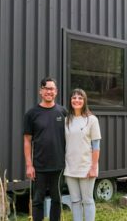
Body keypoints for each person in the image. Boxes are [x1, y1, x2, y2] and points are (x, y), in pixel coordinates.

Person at [24, 77, 67, 221]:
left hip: (58, 166)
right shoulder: (31, 114)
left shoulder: (63, 112)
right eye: (46, 88)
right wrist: (29, 165)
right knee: (37, 201)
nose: (49, 91)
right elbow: (27, 140)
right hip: (39, 166)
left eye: (52, 89)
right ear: (41, 91)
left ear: (56, 92)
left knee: (57, 200)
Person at [64, 89, 101, 221]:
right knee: (75, 201)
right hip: (70, 168)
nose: (76, 100)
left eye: (80, 98)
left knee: (88, 200)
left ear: (84, 101)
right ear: (70, 101)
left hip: (86, 167)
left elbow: (96, 146)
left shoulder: (92, 120)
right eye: (74, 97)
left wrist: (93, 167)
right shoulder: (66, 120)